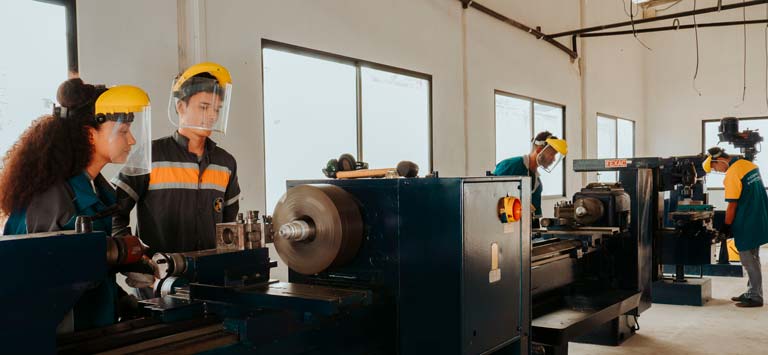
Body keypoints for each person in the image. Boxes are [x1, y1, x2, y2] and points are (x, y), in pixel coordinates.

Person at [0, 78, 153, 329]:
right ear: (89, 135)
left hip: (89, 329)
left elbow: (90, 277)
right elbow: (44, 277)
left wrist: (122, 301)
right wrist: (118, 253)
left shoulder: (96, 192)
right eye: (123, 131)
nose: (133, 140)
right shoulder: (52, 199)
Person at [113, 62, 240, 255]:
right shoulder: (151, 155)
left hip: (212, 278)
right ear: (181, 106)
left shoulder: (226, 163)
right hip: (160, 279)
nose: (212, 115)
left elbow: (230, 226)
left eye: (217, 109)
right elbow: (113, 213)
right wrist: (133, 256)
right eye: (204, 107)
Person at [703, 146, 768, 307]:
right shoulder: (748, 165)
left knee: (747, 259)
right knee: (754, 257)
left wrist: (726, 226)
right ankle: (752, 291)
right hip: (760, 216)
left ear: (720, 160)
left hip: (747, 220)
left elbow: (732, 205)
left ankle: (755, 297)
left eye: (714, 167)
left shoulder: (732, 173)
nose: (717, 171)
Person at [493, 131, 568, 217]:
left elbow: (536, 217)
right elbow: (492, 194)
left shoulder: (537, 185)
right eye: (552, 154)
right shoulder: (511, 166)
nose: (554, 159)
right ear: (540, 150)